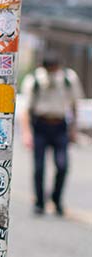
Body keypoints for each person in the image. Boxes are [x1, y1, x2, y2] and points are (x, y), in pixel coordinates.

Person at [20, 51, 84, 215]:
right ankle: (40, 202)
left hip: (60, 126)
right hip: (40, 126)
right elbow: (25, 110)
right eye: (51, 69)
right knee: (39, 167)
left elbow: (74, 105)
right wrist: (26, 133)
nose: (54, 72)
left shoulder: (68, 79)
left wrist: (73, 129)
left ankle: (56, 199)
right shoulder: (34, 81)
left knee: (62, 165)